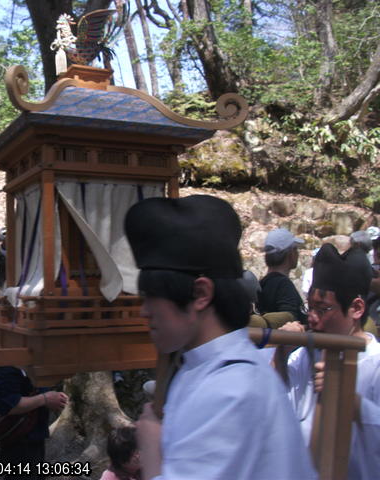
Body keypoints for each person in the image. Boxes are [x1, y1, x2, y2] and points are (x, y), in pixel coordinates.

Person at [124, 195, 316, 480]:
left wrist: (151, 447)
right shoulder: (203, 370)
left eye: (152, 296)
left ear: (201, 294)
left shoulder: (231, 390)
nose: (144, 311)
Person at [274, 243, 380, 479]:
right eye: (309, 307)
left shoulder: (377, 363)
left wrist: (349, 398)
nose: (311, 319)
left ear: (356, 308)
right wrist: (281, 354)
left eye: (322, 309)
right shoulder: (304, 353)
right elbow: (278, 408)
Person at [0, 366, 68, 479]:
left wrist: (54, 399)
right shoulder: (7, 366)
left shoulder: (31, 364)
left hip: (34, 437)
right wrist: (45, 399)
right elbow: (7, 406)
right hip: (17, 441)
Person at [257, 227, 307, 324]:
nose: (297, 253)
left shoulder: (261, 284)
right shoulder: (284, 285)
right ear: (290, 254)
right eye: (296, 249)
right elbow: (290, 320)